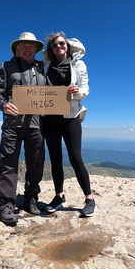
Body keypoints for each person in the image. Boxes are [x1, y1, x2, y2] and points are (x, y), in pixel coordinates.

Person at [0, 32, 46, 225]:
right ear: (17, 49)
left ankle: (31, 199)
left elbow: (52, 92)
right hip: (13, 125)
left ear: (36, 50)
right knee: (8, 164)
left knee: (36, 163)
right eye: (24, 46)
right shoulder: (6, 66)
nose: (28, 49)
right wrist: (3, 105)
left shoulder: (42, 68)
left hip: (37, 124)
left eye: (31, 46)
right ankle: (6, 205)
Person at [42, 32, 96, 217]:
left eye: (61, 43)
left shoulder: (78, 64)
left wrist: (77, 91)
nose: (59, 47)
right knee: (55, 159)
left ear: (68, 45)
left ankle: (89, 199)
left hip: (70, 116)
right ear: (51, 49)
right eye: (55, 45)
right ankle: (59, 197)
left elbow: (86, 88)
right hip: (50, 117)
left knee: (75, 157)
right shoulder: (46, 66)